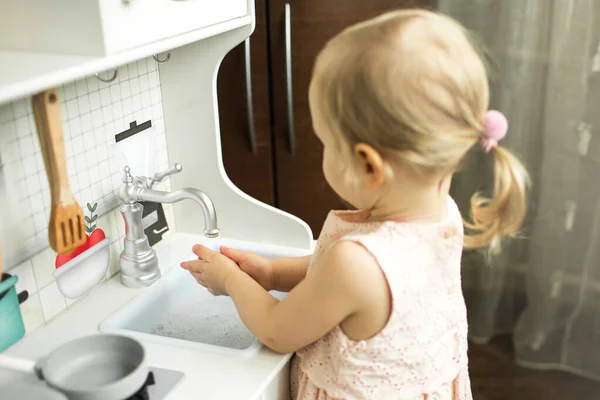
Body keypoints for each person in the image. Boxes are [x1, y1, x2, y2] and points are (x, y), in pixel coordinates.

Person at [180, 8, 528, 400]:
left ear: (368, 164)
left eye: (326, 142)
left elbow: (277, 329)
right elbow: (345, 286)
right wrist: (273, 273)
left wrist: (230, 280)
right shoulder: (442, 213)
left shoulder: (355, 263)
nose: (323, 152)